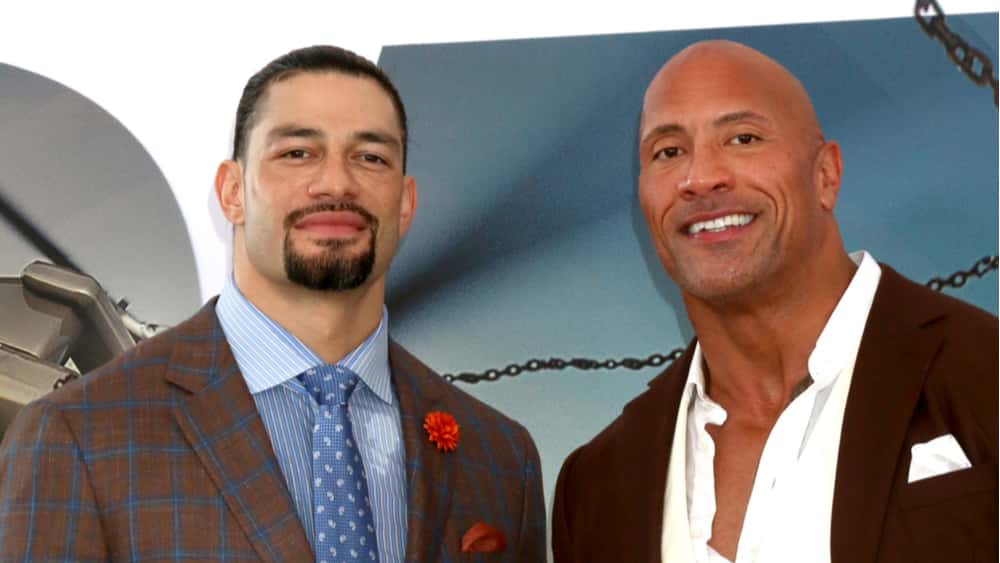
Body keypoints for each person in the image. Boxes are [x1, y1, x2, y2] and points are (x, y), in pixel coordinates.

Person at [0, 45, 545, 562]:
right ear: (232, 192)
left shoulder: (500, 457)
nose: (336, 182)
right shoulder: (78, 434)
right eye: (297, 153)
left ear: (405, 204)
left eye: (370, 157)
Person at [552, 40, 997, 563]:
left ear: (825, 175)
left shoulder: (984, 374)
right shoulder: (596, 484)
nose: (700, 178)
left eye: (743, 138)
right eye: (668, 152)